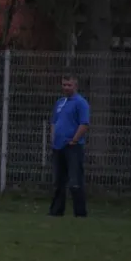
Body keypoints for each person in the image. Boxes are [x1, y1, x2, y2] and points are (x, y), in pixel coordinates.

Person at [48, 75, 90, 217]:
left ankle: (80, 214)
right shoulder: (60, 102)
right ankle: (56, 211)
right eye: (64, 85)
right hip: (58, 147)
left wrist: (74, 140)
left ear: (75, 86)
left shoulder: (81, 102)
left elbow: (84, 124)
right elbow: (54, 122)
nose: (66, 87)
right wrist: (53, 138)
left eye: (69, 85)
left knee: (75, 181)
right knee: (58, 182)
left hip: (73, 147)